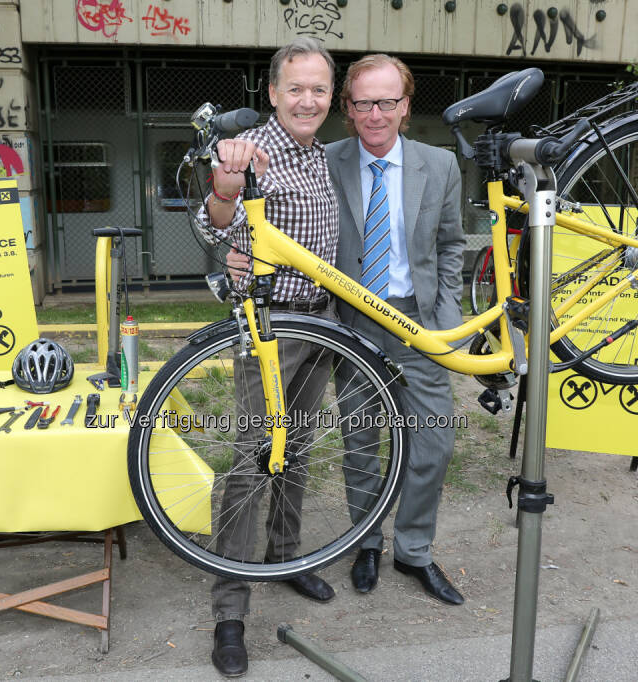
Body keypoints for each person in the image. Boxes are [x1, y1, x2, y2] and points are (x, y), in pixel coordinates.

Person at [197, 37, 339, 678]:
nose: (307, 99)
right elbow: (213, 222)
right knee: (253, 459)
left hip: (324, 324)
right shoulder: (253, 150)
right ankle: (230, 607)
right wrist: (225, 182)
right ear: (274, 94)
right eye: (296, 88)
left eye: (319, 89)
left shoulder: (321, 157)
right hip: (269, 330)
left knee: (300, 448)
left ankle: (288, 558)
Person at [326, 54, 466, 605]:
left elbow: (452, 243)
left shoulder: (441, 164)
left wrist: (446, 316)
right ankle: (366, 542)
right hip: (353, 321)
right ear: (349, 109)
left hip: (417, 321)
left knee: (433, 440)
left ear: (406, 106)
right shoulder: (327, 161)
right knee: (361, 441)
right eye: (364, 102)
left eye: (388, 102)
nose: (376, 114)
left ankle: (413, 552)